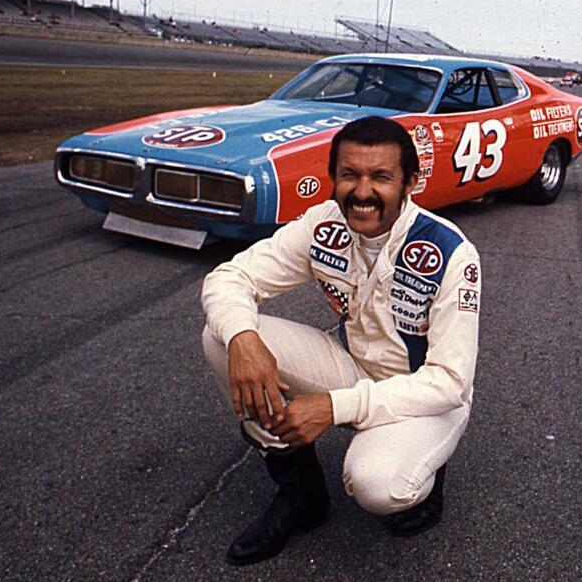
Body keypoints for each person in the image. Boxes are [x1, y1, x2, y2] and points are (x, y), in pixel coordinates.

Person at [201, 116, 481, 565]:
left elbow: (450, 382)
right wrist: (242, 336)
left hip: (423, 396)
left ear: (411, 181)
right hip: (351, 366)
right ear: (334, 177)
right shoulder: (323, 223)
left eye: (381, 177)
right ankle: (302, 496)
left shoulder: (451, 252)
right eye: (350, 175)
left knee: (379, 485)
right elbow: (230, 276)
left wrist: (334, 407)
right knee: (222, 339)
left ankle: (426, 476)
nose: (363, 191)